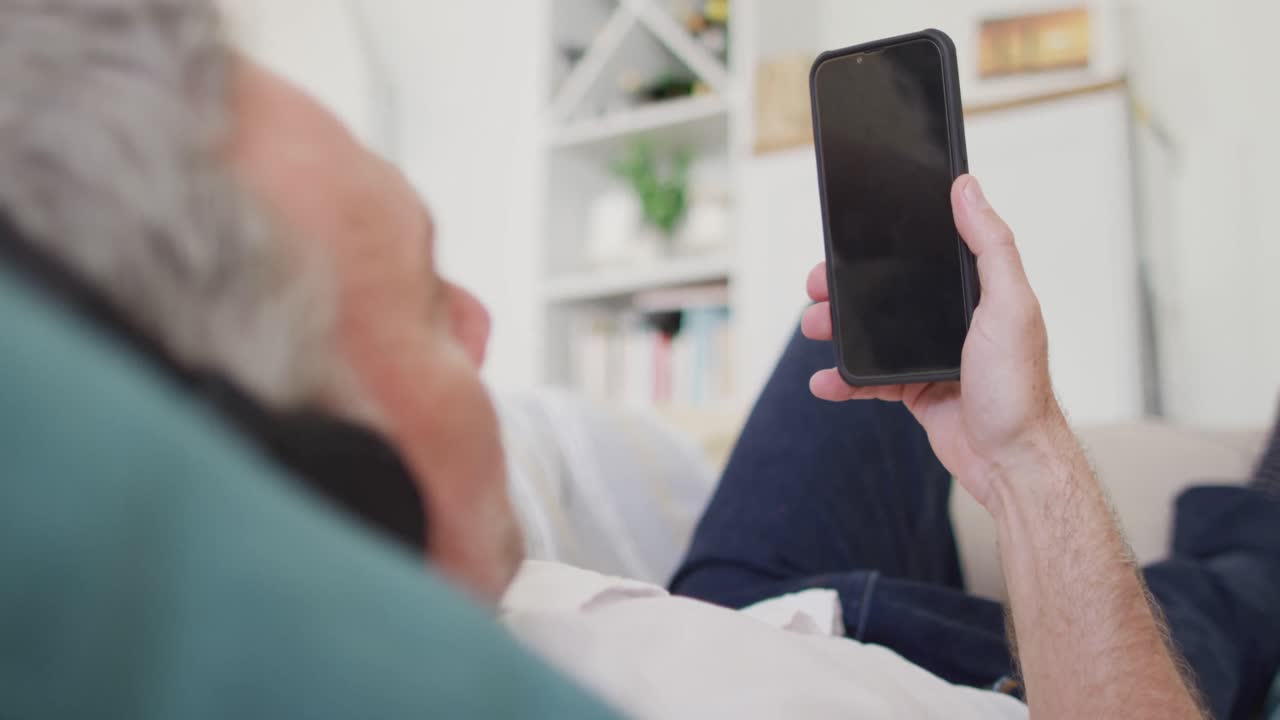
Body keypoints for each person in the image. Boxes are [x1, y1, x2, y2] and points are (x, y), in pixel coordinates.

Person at [3, 0, 1277, 717]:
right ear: (337, 473)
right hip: (899, 662)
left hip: (721, 599)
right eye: (424, 294)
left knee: (851, 318)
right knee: (1229, 573)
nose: (483, 326)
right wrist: (1027, 461)